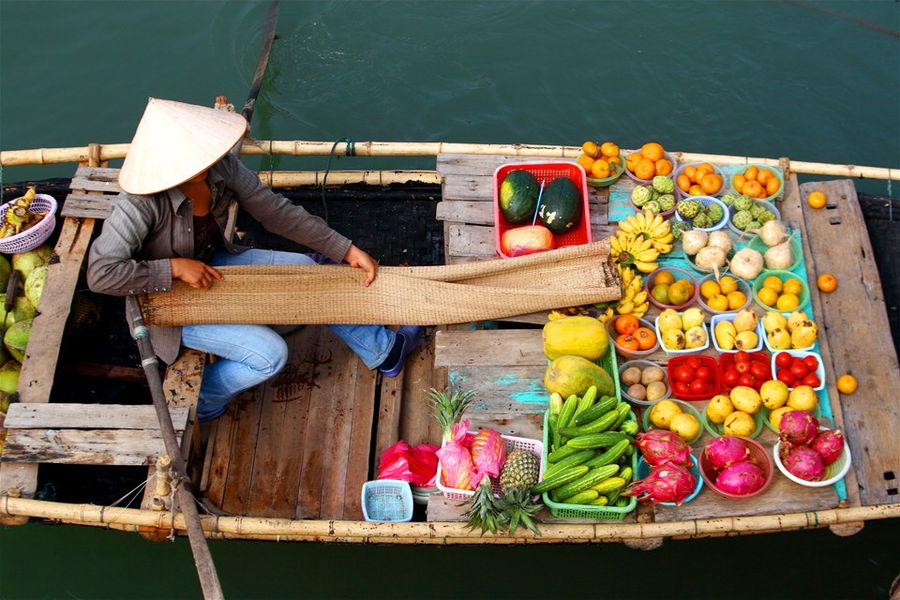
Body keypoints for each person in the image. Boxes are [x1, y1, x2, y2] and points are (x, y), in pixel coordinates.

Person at [87, 97, 422, 421]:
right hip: (164, 305)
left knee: (309, 272)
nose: (203, 165)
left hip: (212, 268)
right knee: (269, 356)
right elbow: (101, 274)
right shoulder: (138, 203)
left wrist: (345, 249)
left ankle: (383, 352)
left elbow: (276, 212)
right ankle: (203, 402)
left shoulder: (221, 167)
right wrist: (173, 267)